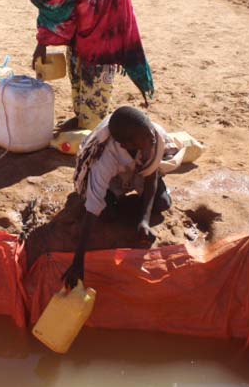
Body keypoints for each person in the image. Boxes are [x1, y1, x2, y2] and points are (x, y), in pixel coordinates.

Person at [15, 0, 155, 131]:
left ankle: (93, 122)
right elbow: (48, 9)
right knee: (76, 57)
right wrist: (42, 43)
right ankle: (81, 115)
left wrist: (82, 43)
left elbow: (82, 16)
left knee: (95, 55)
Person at [62, 106, 188, 288]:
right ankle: (116, 203)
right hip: (113, 180)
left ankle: (132, 214)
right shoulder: (105, 156)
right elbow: (94, 204)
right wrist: (78, 260)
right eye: (145, 138)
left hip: (137, 172)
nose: (151, 138)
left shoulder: (153, 136)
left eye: (150, 133)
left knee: (162, 203)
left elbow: (151, 176)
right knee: (104, 214)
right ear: (126, 145)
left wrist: (144, 220)